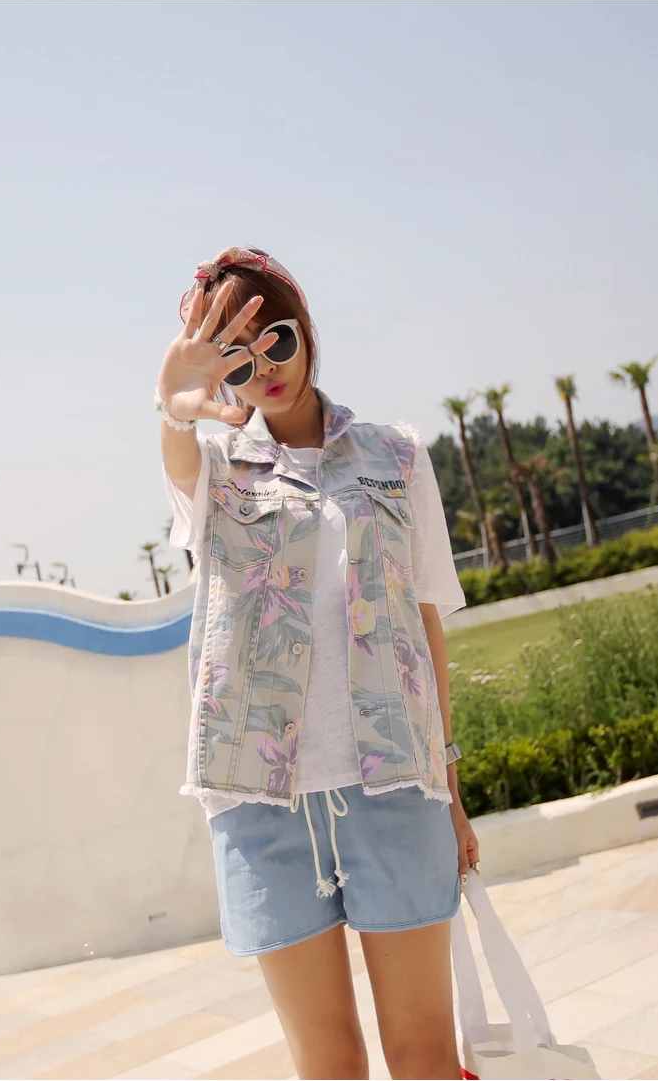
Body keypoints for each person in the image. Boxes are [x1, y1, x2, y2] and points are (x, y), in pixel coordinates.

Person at [156, 246, 480, 1081]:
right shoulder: (215, 468)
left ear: (307, 330)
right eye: (236, 358)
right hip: (262, 805)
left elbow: (425, 623)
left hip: (395, 787)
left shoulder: (395, 454)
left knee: (424, 1055)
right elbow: (180, 462)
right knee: (328, 1063)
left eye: (277, 339)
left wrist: (450, 788)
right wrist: (173, 410)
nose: (264, 368)